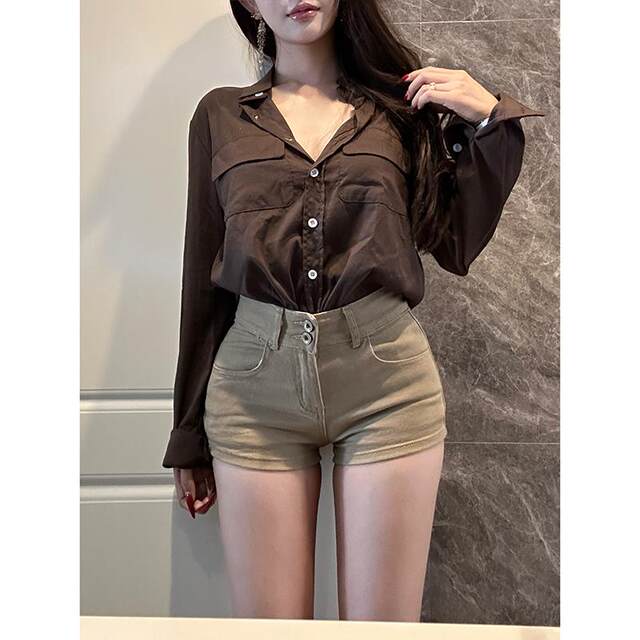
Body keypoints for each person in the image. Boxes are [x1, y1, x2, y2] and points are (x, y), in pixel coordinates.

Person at [161, 0, 545, 622]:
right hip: (253, 392)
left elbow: (454, 243)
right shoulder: (220, 116)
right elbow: (202, 275)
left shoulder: (400, 111)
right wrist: (187, 433)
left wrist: (489, 122)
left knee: (382, 632)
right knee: (272, 634)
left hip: (386, 384)